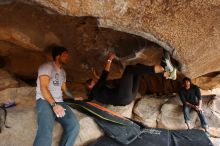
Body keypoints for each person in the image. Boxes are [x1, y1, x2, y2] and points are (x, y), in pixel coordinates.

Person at [85, 51, 177, 106]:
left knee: (138, 69)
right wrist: (110, 59)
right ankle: (163, 66)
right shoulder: (95, 90)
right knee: (129, 69)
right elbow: (105, 74)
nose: (96, 82)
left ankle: (168, 74)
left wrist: (98, 78)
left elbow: (103, 81)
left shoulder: (96, 94)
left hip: (128, 98)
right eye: (94, 82)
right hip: (123, 96)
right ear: (90, 86)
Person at [34, 46, 80, 146]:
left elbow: (65, 89)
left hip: (60, 102)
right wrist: (54, 105)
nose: (67, 57)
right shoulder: (46, 67)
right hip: (44, 100)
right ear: (57, 56)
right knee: (45, 130)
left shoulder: (63, 72)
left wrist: (73, 97)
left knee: (74, 126)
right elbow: (43, 87)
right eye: (65, 55)